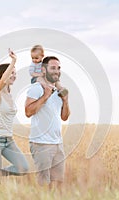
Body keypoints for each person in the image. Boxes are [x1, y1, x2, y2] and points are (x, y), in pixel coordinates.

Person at [0, 49, 29, 183]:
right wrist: (14, 61)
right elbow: (2, 82)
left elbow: (5, 83)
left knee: (23, 168)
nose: (14, 75)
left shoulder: (9, 94)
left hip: (8, 140)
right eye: (11, 72)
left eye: (15, 73)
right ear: (3, 75)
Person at [25, 56, 70, 189]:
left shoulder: (59, 91)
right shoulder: (36, 88)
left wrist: (66, 100)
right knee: (43, 185)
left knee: (58, 185)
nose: (56, 71)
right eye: (53, 68)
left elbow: (64, 117)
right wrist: (45, 96)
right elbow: (28, 111)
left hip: (57, 144)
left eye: (58, 68)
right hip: (41, 144)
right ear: (43, 70)